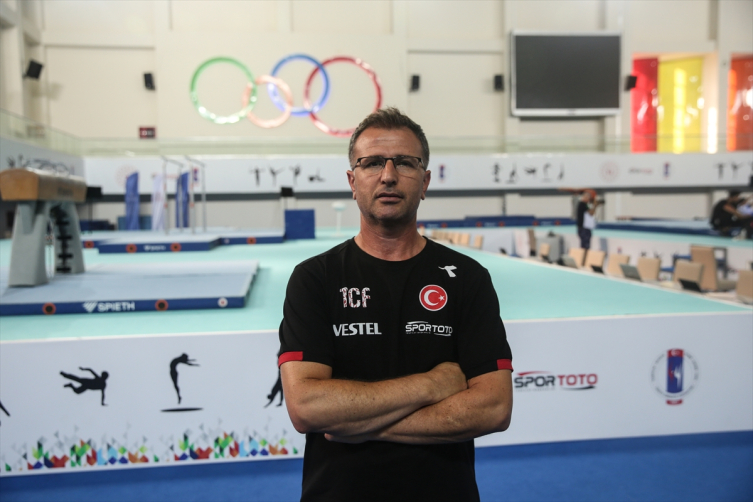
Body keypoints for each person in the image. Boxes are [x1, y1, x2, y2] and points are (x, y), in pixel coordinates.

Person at [277, 108, 513, 502]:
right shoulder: (315, 278)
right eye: (372, 163)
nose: (388, 175)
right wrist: (432, 384)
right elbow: (307, 408)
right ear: (353, 182)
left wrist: (357, 423)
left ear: (425, 182)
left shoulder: (467, 278)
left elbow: (494, 407)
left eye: (404, 162)